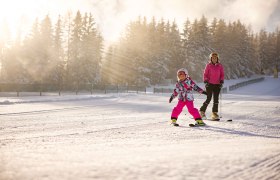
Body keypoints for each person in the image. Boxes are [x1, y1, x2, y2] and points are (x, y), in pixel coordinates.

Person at [199, 52, 224, 120]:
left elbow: (222, 74)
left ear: (217, 58)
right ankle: (202, 111)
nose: (214, 59)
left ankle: (214, 113)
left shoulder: (220, 66)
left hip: (217, 84)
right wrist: (206, 81)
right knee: (209, 98)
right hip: (209, 84)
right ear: (211, 58)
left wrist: (221, 80)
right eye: (213, 58)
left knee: (216, 99)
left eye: (215, 58)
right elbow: (205, 74)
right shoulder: (208, 65)